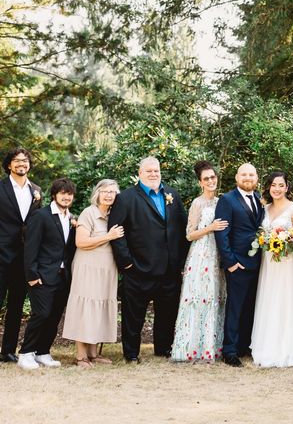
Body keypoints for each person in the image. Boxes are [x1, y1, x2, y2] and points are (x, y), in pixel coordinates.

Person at [109, 156, 189, 363]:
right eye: (149, 171)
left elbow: (182, 228)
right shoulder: (126, 198)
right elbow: (117, 233)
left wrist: (180, 261)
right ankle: (131, 353)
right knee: (133, 315)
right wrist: (126, 263)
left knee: (167, 313)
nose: (154, 174)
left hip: (169, 269)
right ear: (140, 173)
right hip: (138, 268)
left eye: (157, 171)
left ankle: (163, 348)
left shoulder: (172, 194)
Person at [251, 171, 293, 367]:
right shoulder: (264, 208)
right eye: (273, 185)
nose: (277, 189)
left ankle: (289, 348)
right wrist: (267, 240)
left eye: (281, 185)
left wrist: (286, 239)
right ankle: (267, 347)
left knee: (286, 300)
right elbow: (261, 233)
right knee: (269, 299)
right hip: (269, 263)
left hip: (288, 262)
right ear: (269, 187)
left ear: (287, 187)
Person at [62, 179, 124, 368]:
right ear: (97, 193)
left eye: (113, 192)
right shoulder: (88, 213)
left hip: (107, 268)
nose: (108, 195)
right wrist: (108, 236)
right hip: (87, 266)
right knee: (86, 307)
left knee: (99, 307)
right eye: (105, 191)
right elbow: (81, 242)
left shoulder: (114, 215)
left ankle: (93, 353)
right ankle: (81, 356)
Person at [171, 161, 228, 363]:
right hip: (201, 254)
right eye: (206, 179)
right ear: (200, 183)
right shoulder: (198, 203)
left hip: (217, 255)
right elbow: (189, 234)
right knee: (199, 297)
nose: (211, 181)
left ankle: (211, 347)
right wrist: (210, 227)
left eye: (213, 177)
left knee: (215, 298)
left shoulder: (222, 201)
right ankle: (191, 348)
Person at [18, 178, 77, 370]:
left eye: (69, 194)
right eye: (62, 193)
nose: (66, 197)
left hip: (62, 276)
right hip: (41, 275)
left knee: (53, 316)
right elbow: (30, 247)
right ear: (54, 195)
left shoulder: (70, 218)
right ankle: (26, 353)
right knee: (41, 314)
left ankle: (43, 352)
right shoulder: (41, 216)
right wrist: (32, 275)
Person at [214, 163, 264, 367]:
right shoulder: (227, 200)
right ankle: (230, 350)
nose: (248, 178)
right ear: (236, 177)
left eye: (251, 174)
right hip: (238, 264)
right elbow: (222, 234)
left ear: (256, 177)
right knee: (235, 307)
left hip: (259, 263)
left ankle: (244, 346)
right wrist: (231, 262)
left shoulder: (260, 199)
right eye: (244, 174)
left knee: (251, 307)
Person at [0, 148, 42, 363]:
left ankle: (7, 351)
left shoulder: (36, 190)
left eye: (24, 161)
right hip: (1, 256)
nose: (21, 164)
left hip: (24, 260)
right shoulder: (1, 187)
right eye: (16, 161)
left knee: (16, 307)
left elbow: (39, 222)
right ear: (9, 165)